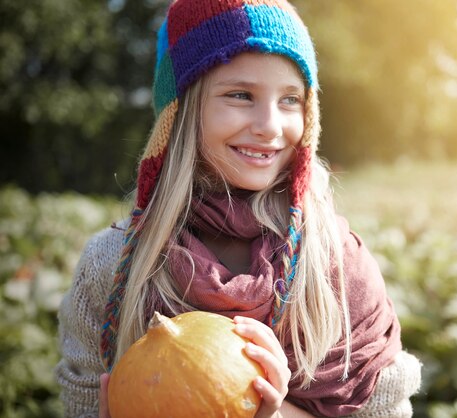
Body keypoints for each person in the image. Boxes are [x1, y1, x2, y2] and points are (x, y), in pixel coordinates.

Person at [55, 0, 421, 417]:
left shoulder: (336, 264)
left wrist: (277, 412)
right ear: (181, 113)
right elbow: (83, 403)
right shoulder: (112, 267)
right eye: (240, 95)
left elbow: (387, 409)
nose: (269, 125)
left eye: (290, 100)